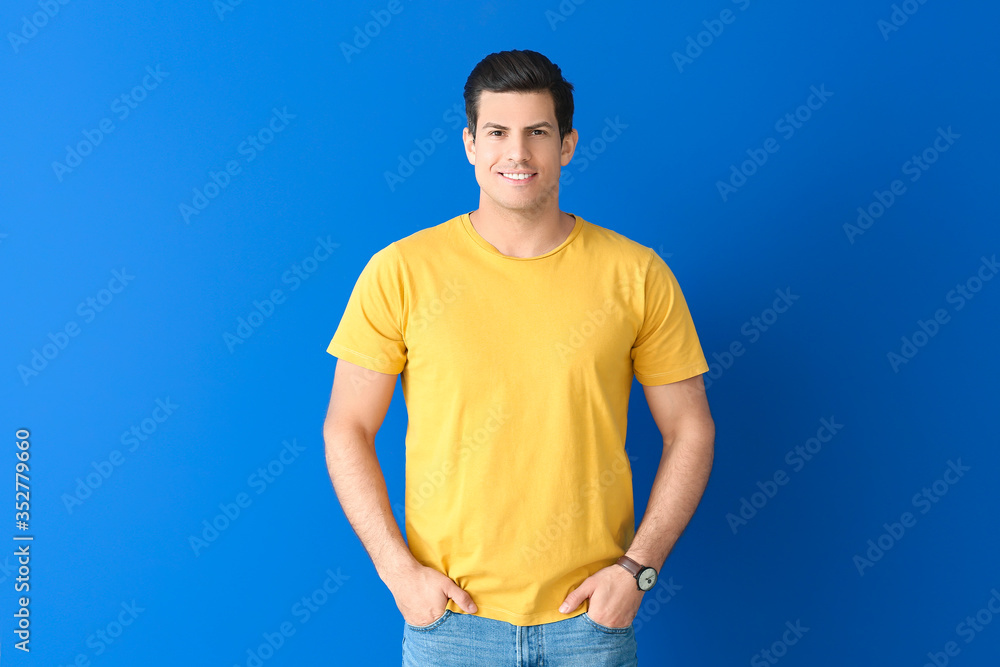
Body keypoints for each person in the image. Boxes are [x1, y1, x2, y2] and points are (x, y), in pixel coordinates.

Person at [323, 49, 715, 666]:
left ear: (567, 144)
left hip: (588, 624)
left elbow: (690, 427)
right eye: (498, 132)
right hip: (451, 624)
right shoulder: (400, 272)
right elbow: (346, 427)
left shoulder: (636, 274)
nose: (518, 153)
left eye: (537, 132)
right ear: (470, 144)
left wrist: (637, 571)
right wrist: (399, 574)